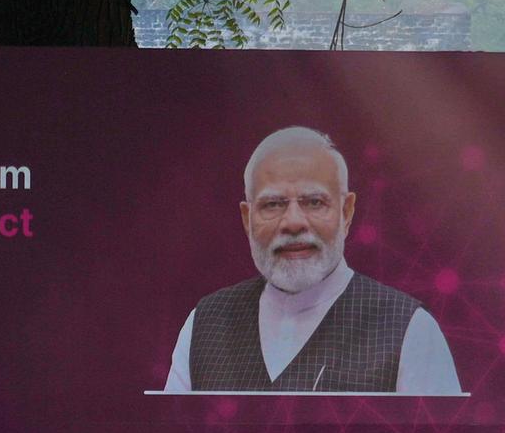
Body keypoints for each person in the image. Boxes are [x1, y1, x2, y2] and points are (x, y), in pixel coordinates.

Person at [163, 126, 461, 394]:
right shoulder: (204, 324)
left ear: (346, 212)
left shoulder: (411, 330)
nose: (293, 223)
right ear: (247, 218)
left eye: (314, 202)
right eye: (273, 204)